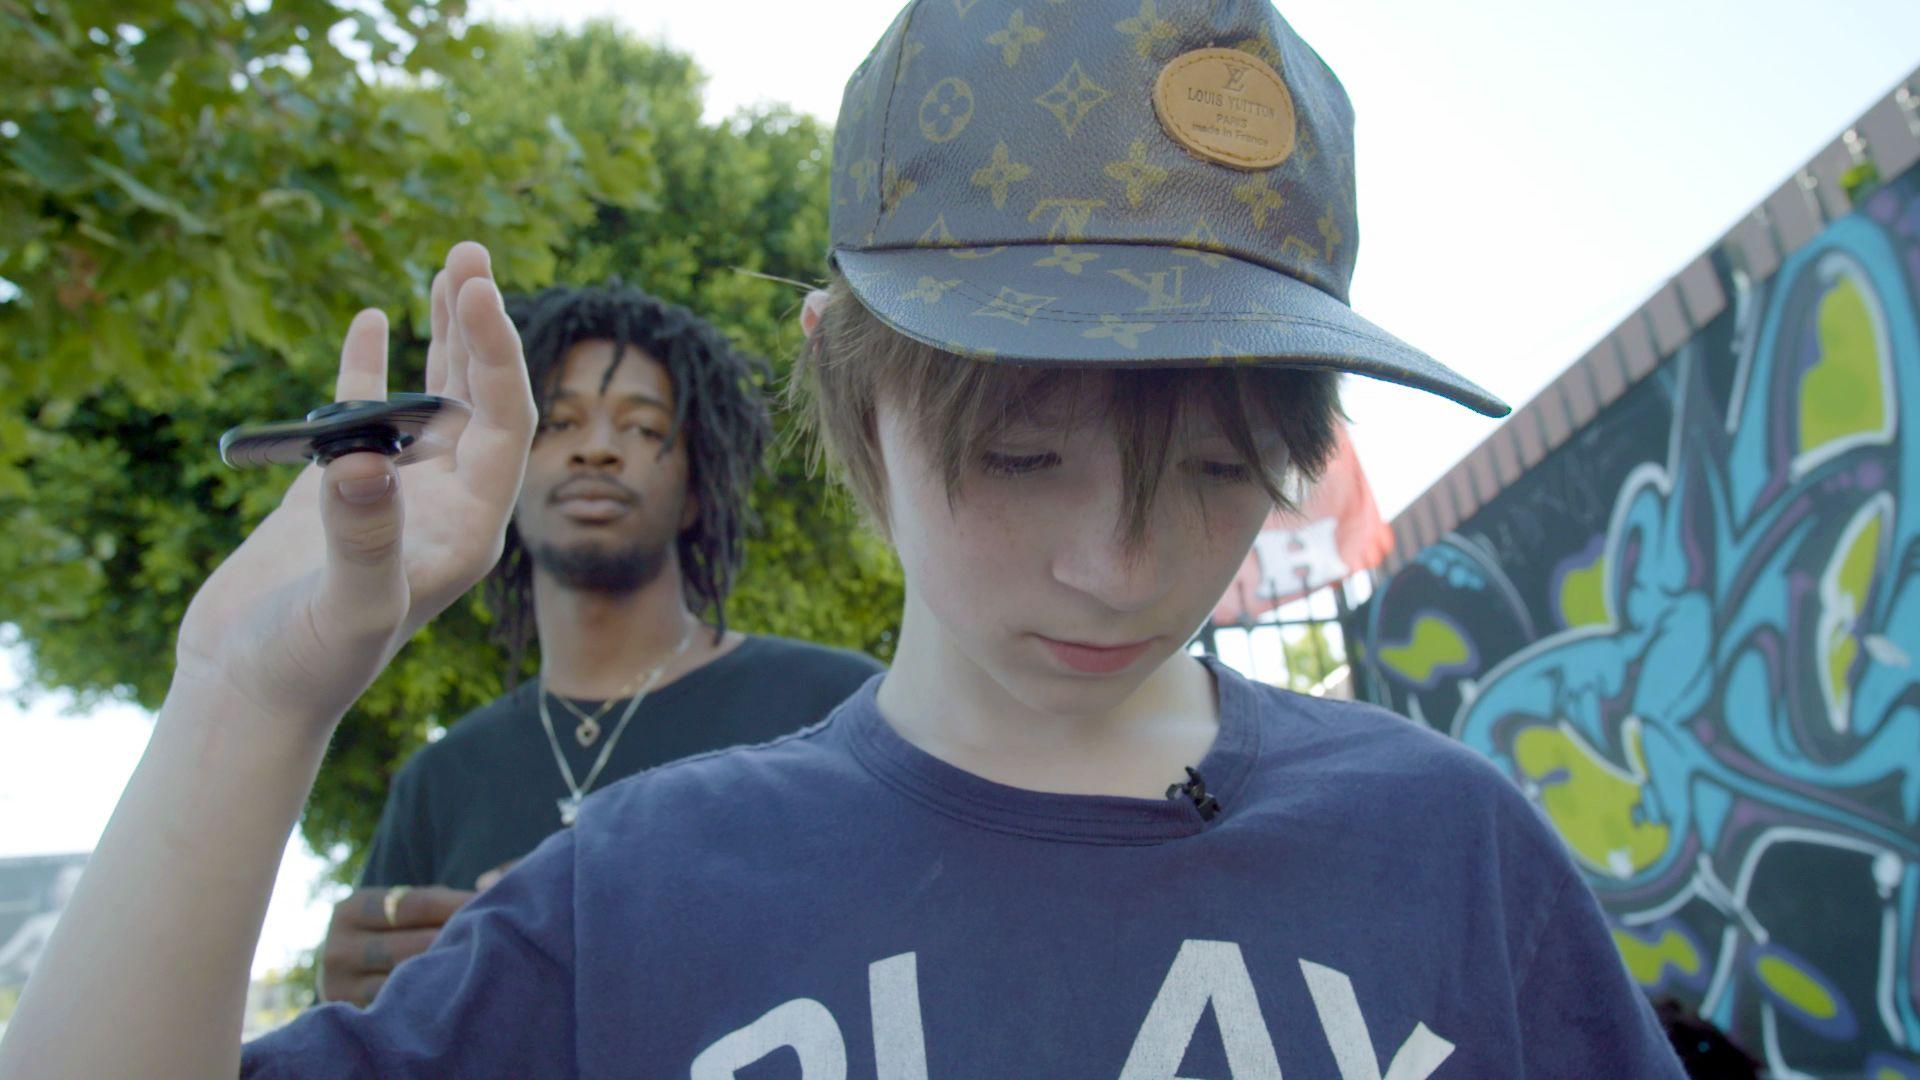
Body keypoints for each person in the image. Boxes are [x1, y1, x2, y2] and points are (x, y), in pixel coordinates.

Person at [0, 2, 1689, 1076]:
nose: (1114, 563)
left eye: (1214, 470)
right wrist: (243, 699)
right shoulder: (648, 889)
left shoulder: (1450, 846)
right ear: (845, 385)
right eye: (1019, 453)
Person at [316, 283, 882, 1006]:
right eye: (556, 423)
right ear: (506, 479)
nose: (596, 449)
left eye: (644, 428)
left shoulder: (835, 709)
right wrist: (354, 1011)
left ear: (696, 492)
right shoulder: (439, 782)